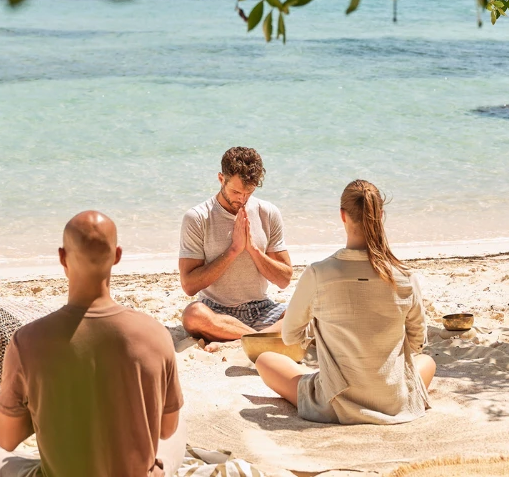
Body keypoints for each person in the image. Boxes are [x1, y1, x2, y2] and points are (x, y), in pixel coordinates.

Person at [0, 211, 187, 477]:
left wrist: (41, 412)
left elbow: (6, 439)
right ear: (117, 255)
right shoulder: (155, 334)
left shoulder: (28, 341)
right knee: (178, 417)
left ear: (62, 257)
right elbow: (166, 429)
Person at [255, 179, 436, 424]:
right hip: (392, 401)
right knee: (427, 363)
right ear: (380, 215)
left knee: (266, 360)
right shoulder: (405, 277)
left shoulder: (319, 274)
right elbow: (416, 344)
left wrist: (319, 329)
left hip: (334, 403)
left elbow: (289, 337)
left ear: (342, 216)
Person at [178, 147, 293, 343]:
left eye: (248, 192)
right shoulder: (197, 218)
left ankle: (250, 337)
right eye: (236, 191)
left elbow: (284, 279)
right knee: (193, 315)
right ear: (221, 178)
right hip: (216, 310)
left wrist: (253, 250)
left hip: (262, 309)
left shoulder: (268, 212)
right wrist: (233, 250)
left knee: (310, 311)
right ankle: (260, 338)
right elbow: (189, 286)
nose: (242, 199)